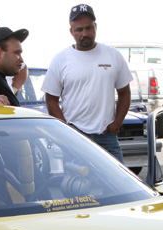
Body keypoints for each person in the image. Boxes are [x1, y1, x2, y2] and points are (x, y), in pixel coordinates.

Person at [41, 4, 132, 163]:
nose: (85, 33)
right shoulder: (60, 59)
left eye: (89, 28)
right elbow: (51, 99)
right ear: (71, 31)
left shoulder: (113, 55)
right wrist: (66, 129)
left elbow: (124, 92)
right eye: (79, 29)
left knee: (118, 179)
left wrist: (117, 123)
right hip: (74, 137)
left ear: (96, 26)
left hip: (106, 136)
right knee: (74, 179)